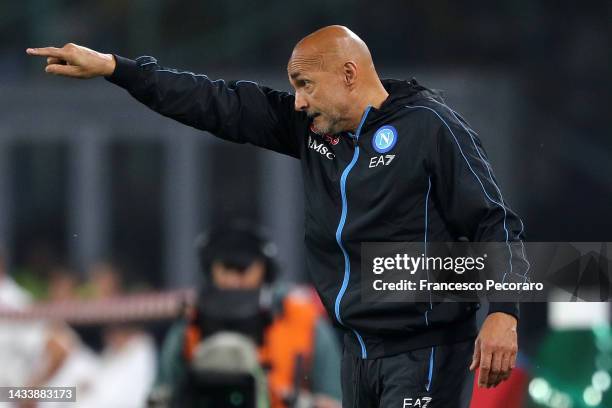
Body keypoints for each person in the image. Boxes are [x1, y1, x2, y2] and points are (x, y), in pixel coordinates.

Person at [27, 25, 527, 407]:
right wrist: (119, 69)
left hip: (425, 349)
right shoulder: (311, 131)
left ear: (349, 74)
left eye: (306, 84)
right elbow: (213, 101)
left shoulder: (429, 126)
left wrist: (504, 310)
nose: (299, 99)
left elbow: (493, 222)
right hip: (358, 351)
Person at [152, 221, 342, 408]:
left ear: (264, 269)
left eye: (242, 269)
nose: (234, 281)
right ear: (211, 269)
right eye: (226, 268)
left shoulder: (302, 321)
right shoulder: (191, 322)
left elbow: (335, 399)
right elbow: (159, 396)